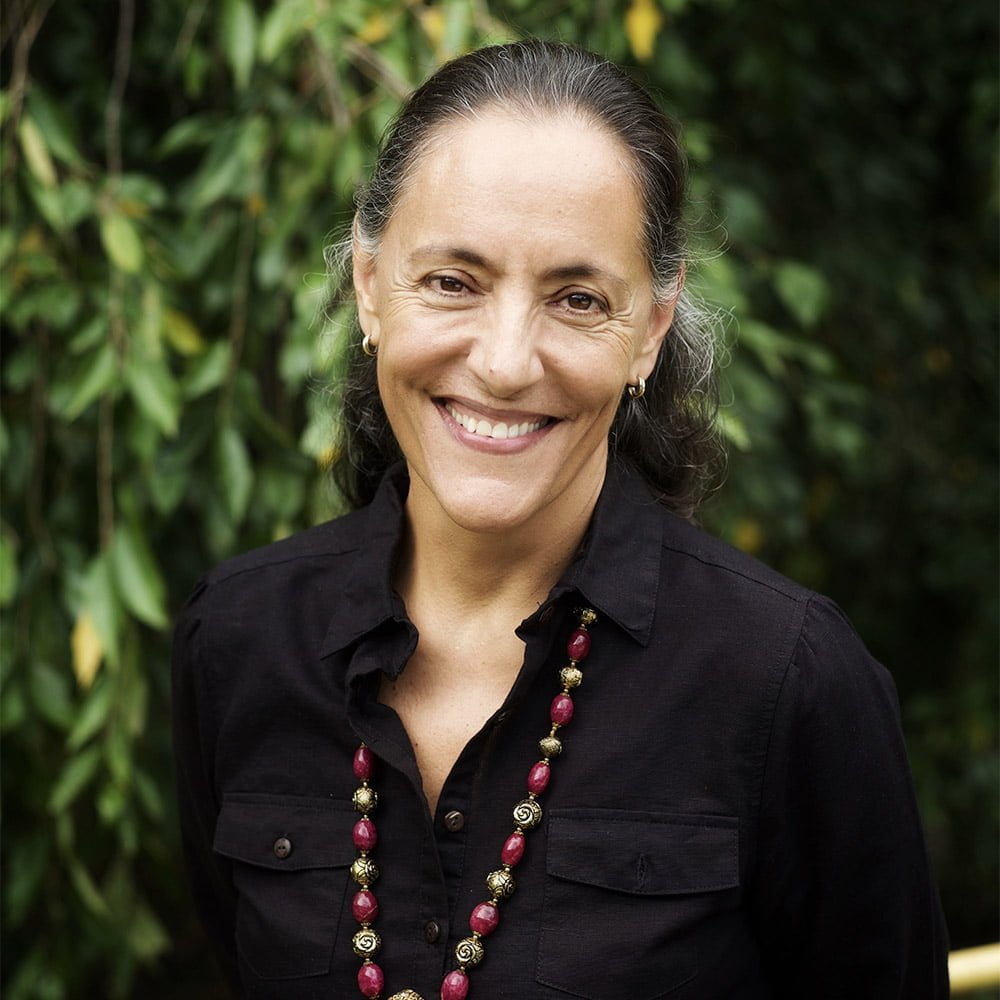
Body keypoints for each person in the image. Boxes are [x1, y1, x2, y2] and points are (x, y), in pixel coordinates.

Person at [172, 40, 949, 1000]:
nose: (505, 363)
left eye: (577, 299)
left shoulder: (791, 681)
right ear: (369, 287)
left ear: (649, 331)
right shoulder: (238, 639)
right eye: (452, 282)